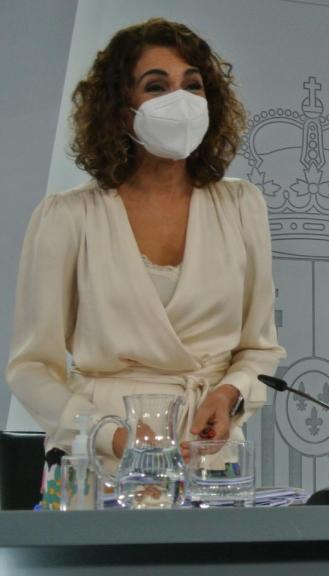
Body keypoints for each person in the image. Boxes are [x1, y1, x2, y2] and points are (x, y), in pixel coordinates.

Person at [5, 18, 285, 506]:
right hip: (95, 459)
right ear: (120, 107)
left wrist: (229, 397)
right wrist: (109, 435)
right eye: (157, 86)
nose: (180, 100)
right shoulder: (68, 216)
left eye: (192, 86)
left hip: (209, 458)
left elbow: (259, 350)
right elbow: (32, 368)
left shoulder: (242, 205)